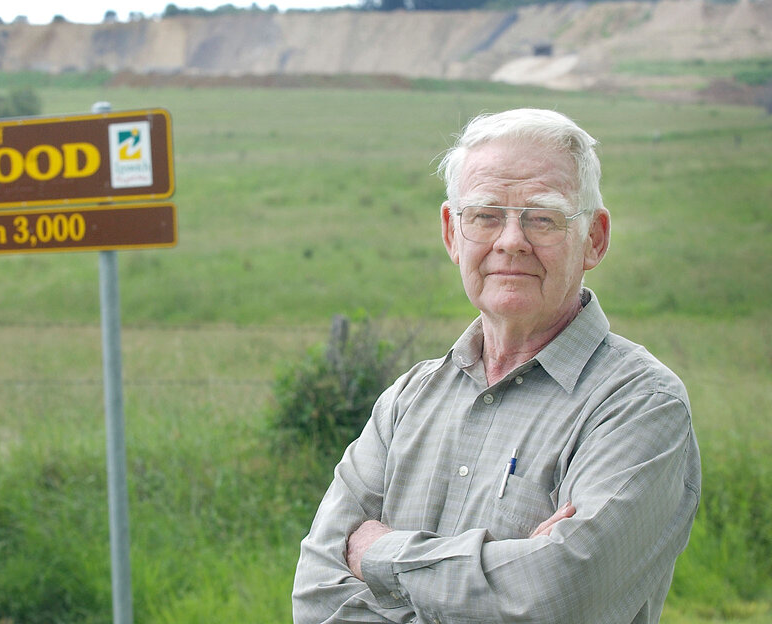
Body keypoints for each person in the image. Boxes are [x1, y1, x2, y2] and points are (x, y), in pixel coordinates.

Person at [292, 108, 701, 624]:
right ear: (451, 233)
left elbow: (559, 595)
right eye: (486, 215)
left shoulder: (639, 406)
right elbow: (315, 594)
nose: (511, 240)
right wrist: (507, 573)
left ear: (594, 238)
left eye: (543, 217)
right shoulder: (407, 401)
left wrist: (379, 554)